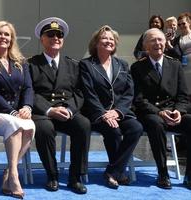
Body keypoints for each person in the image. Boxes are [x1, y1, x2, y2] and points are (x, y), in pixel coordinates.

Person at [28, 17, 91, 194]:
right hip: (43, 112)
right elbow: (29, 92)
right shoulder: (31, 64)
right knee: (45, 128)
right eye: (51, 34)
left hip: (66, 111)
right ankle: (52, 175)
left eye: (59, 35)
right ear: (42, 39)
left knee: (83, 124)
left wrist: (70, 110)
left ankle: (75, 177)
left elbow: (79, 92)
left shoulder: (73, 64)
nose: (56, 38)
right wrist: (49, 109)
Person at [79, 25, 142, 189]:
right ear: (96, 43)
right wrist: (103, 113)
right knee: (113, 131)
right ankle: (118, 173)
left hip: (119, 112)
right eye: (104, 38)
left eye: (111, 39)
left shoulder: (122, 64)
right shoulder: (86, 65)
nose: (108, 41)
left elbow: (129, 92)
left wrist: (117, 111)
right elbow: (88, 92)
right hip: (96, 113)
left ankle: (113, 171)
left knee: (135, 128)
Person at [131, 28, 191, 190]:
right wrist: (159, 112)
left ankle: (189, 175)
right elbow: (138, 99)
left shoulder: (175, 65)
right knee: (156, 124)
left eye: (160, 40)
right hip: (151, 113)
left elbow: (183, 95)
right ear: (145, 46)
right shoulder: (138, 68)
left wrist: (179, 111)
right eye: (153, 40)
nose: (158, 43)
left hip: (173, 112)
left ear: (165, 43)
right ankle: (163, 173)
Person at [0, 21, 35, 199]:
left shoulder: (21, 62)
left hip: (17, 112)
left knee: (30, 125)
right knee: (15, 123)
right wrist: (13, 112)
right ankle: (14, 176)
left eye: (7, 34)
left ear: (12, 39)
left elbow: (28, 88)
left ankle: (9, 171)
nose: (3, 37)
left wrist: (26, 107)